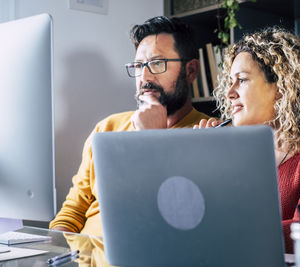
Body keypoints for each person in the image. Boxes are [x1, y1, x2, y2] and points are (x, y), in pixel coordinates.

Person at [194, 28, 300, 254]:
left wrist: (222, 236)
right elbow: (206, 220)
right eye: (230, 82)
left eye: (242, 80)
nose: (229, 93)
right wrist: (205, 161)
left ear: (283, 88)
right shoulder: (244, 156)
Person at [50, 16, 210, 235]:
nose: (144, 76)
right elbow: (73, 212)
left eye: (156, 63)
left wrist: (153, 139)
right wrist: (54, 253)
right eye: (138, 65)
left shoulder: (209, 136)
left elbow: (180, 224)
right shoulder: (106, 128)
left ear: (190, 71)